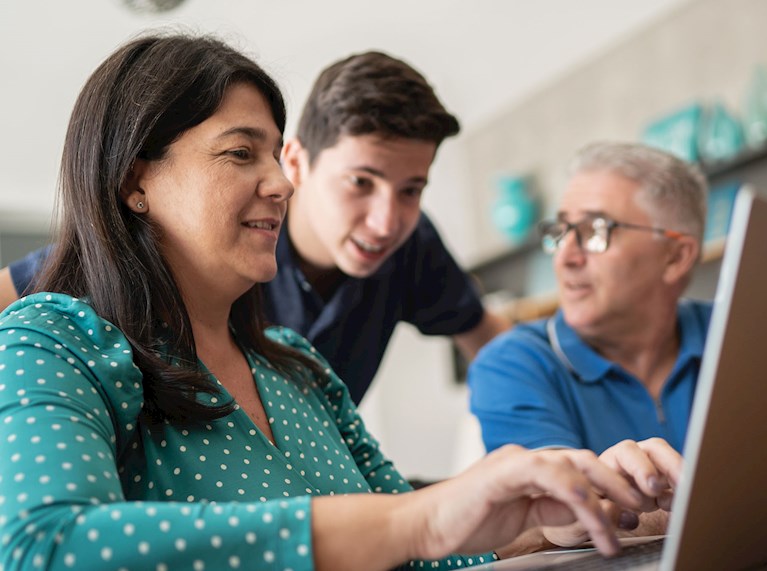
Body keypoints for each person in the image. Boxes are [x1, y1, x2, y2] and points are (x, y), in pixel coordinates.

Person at [0, 33, 681, 570]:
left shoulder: (298, 366)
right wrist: (419, 518)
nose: (279, 183)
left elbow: (415, 542)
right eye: (241, 154)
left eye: (273, 157)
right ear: (132, 180)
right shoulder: (53, 338)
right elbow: (43, 547)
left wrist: (551, 513)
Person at [0, 49, 510, 405]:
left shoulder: (413, 248)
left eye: (411, 190)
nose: (385, 221)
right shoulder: (195, 250)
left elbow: (493, 346)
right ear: (299, 164)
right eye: (360, 182)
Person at [468, 141, 710, 457]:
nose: (565, 256)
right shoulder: (512, 364)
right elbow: (553, 501)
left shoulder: (741, 330)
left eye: (595, 230)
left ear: (676, 257)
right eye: (562, 230)